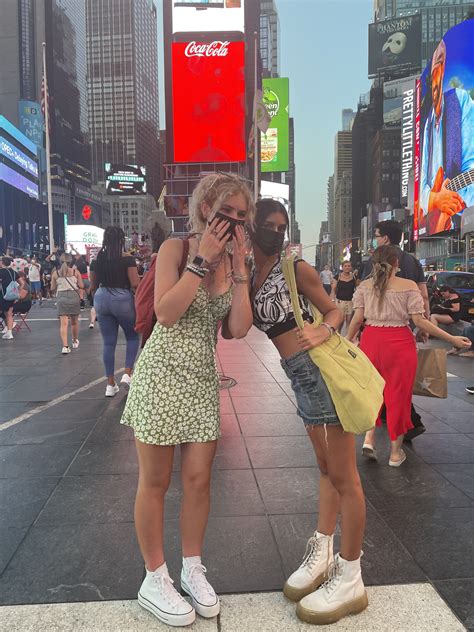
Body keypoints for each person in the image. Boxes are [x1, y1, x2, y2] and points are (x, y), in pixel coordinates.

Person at [120, 173, 254, 627]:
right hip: (160, 375)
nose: (233, 221)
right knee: (155, 482)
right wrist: (202, 261)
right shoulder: (175, 250)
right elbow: (165, 312)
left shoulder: (233, 263)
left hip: (200, 380)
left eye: (241, 215)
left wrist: (239, 271)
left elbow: (238, 329)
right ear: (204, 209)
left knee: (199, 481)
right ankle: (154, 576)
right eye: (226, 212)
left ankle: (191, 568)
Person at [251, 198, 367, 626]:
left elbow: (335, 308)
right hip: (299, 375)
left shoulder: (295, 268)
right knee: (325, 468)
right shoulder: (251, 272)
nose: (276, 232)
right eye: (268, 225)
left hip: (319, 371)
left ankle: (351, 576)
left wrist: (323, 328)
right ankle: (323, 549)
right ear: (252, 226)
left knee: (344, 476)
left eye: (281, 226)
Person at [347, 245, 471, 466]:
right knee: (398, 396)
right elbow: (419, 321)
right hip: (400, 344)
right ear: (397, 263)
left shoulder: (365, 286)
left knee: (372, 391)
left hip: (371, 342)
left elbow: (357, 320)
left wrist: (347, 342)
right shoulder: (408, 286)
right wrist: (452, 339)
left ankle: (369, 439)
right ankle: (395, 454)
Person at [362, 219, 429, 442]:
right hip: (406, 328)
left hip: (377, 329)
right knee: (398, 379)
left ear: (385, 238)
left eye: (376, 235)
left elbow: (367, 294)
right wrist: (424, 323)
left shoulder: (376, 260)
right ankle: (403, 423)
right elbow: (424, 294)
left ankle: (401, 423)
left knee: (380, 379)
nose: (375, 240)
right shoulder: (413, 261)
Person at [420, 39, 474, 234]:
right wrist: (434, 200)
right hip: (432, 227)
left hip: (461, 223)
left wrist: (451, 200)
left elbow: (470, 165)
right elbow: (420, 185)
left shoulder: (458, 102)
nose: (436, 73)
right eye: (434, 67)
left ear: (443, 70)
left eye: (440, 64)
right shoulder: (426, 124)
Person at [90, 227, 141, 397]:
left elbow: (93, 285)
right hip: (122, 298)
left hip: (101, 297)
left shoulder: (97, 260)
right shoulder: (128, 259)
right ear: (121, 240)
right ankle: (127, 374)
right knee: (132, 336)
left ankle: (110, 385)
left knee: (108, 343)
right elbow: (135, 283)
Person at [51, 254, 83, 354]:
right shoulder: (75, 272)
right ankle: (74, 341)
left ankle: (65, 347)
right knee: (74, 322)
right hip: (74, 296)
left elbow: (52, 288)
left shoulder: (55, 273)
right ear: (71, 261)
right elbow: (81, 285)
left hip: (61, 297)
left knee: (63, 324)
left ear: (60, 261)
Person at [331, 261, 356, 332]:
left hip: (351, 302)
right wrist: (332, 300)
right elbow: (333, 290)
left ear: (351, 267)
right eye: (345, 266)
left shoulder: (354, 277)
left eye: (349, 266)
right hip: (340, 302)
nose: (347, 267)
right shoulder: (337, 277)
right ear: (342, 267)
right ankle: (338, 334)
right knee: (340, 321)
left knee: (349, 321)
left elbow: (358, 288)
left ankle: (348, 336)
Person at [0, 257, 18, 340]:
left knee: (5, 312)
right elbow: (21, 282)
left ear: (2, 263)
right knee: (9, 313)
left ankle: (7, 330)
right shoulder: (14, 272)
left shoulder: (1, 272)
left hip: (3, 295)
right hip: (12, 295)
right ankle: (9, 332)